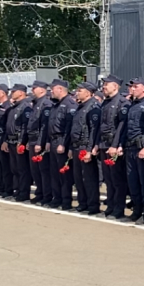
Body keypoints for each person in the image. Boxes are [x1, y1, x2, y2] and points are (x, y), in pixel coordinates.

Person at [120, 78, 144, 224]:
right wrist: (120, 145)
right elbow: (126, 128)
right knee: (133, 181)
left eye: (136, 86)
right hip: (130, 147)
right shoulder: (132, 105)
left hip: (141, 148)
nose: (133, 89)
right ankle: (137, 209)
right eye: (132, 86)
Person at [70, 81, 102, 215]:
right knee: (78, 178)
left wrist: (89, 150)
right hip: (77, 146)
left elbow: (94, 131)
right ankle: (83, 203)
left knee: (89, 178)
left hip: (85, 146)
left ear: (88, 93)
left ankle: (92, 205)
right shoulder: (80, 106)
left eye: (80, 90)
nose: (77, 93)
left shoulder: (93, 107)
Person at [100, 75, 129, 219]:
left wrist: (115, 145)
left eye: (107, 84)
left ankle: (119, 208)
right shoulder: (105, 102)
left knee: (117, 180)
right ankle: (110, 206)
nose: (104, 87)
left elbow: (121, 127)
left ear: (115, 86)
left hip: (113, 145)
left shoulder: (122, 103)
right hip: (104, 144)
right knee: (109, 179)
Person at [47, 79, 77, 210]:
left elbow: (69, 127)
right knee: (54, 173)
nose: (51, 91)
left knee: (64, 174)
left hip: (62, 141)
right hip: (53, 140)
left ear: (60, 89)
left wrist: (64, 144)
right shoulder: (56, 104)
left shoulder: (70, 104)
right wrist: (48, 141)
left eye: (53, 89)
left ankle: (66, 200)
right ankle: (57, 198)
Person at [27, 81, 53, 205]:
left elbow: (44, 126)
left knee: (44, 170)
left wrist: (40, 142)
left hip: (39, 141)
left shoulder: (46, 104)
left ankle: (46, 195)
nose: (32, 90)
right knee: (35, 171)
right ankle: (40, 193)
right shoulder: (36, 103)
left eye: (34, 88)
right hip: (33, 140)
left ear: (42, 90)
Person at [5, 84, 33, 202]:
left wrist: (21, 141)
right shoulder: (15, 106)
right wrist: (6, 140)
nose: (11, 93)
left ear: (21, 92)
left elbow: (24, 127)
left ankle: (23, 192)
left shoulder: (25, 106)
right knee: (14, 168)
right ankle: (17, 190)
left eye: (14, 91)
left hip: (19, 141)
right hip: (11, 140)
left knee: (22, 169)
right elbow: (9, 125)